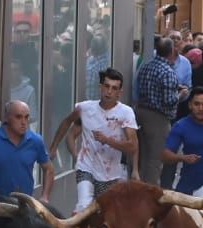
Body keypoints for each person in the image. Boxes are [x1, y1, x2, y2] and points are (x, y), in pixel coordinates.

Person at [50, 68, 138, 212]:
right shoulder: (84, 108)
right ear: (100, 87)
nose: (109, 91)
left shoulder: (126, 113)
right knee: (83, 206)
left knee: (105, 214)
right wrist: (55, 147)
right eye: (106, 86)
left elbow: (133, 146)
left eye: (114, 88)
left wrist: (108, 140)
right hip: (86, 167)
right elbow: (67, 122)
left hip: (111, 174)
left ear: (119, 92)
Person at [0, 100, 53, 199]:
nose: (23, 122)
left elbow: (48, 169)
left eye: (26, 117)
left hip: (24, 204)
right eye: (18, 117)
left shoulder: (35, 141)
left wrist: (45, 197)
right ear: (7, 118)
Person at [136, 37, 186, 185]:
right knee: (156, 157)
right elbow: (169, 101)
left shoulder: (146, 66)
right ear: (171, 51)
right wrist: (181, 94)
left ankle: (140, 187)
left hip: (141, 112)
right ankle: (150, 191)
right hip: (158, 118)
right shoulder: (168, 72)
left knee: (143, 156)